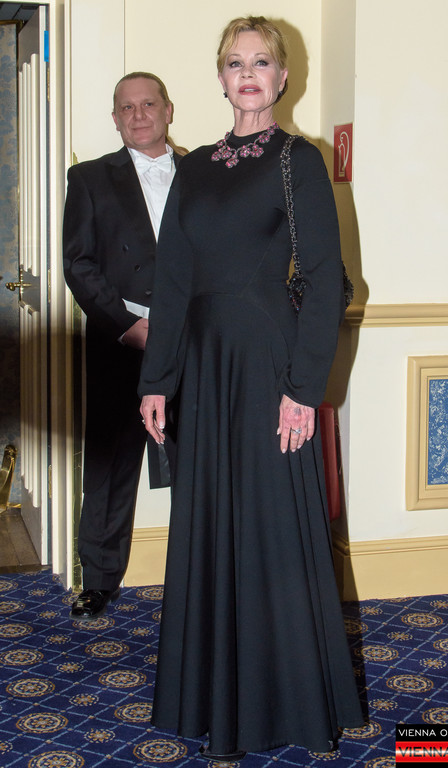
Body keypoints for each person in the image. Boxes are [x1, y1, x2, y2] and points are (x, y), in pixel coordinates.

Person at [139, 17, 363, 761]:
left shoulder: (299, 160)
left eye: (261, 62)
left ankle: (299, 709)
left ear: (282, 77)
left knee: (273, 531)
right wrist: (157, 379)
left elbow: (326, 280)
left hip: (270, 367)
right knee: (212, 527)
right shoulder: (196, 166)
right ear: (220, 77)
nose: (247, 73)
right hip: (205, 371)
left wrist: (303, 388)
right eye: (235, 63)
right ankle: (217, 708)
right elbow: (173, 282)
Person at [63, 72, 184, 620]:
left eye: (148, 104)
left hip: (192, 341)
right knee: (110, 465)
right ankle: (99, 579)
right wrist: (125, 325)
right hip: (122, 339)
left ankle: (199, 573)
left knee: (196, 458)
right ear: (115, 118)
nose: (138, 115)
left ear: (168, 110)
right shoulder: (89, 177)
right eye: (126, 107)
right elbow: (78, 263)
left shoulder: (203, 172)